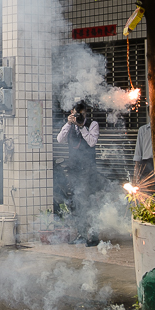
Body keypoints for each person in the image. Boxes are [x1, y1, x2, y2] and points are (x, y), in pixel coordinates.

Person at [56, 101, 101, 246]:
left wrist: (81, 127)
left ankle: (93, 236)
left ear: (85, 113)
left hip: (89, 170)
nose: (79, 116)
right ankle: (81, 234)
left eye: (81, 114)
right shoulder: (70, 125)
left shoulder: (93, 124)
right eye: (75, 113)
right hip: (74, 169)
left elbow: (92, 142)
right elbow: (59, 139)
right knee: (77, 202)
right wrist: (69, 124)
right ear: (71, 112)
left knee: (90, 202)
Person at [133, 106, 155, 194]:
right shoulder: (143, 130)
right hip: (146, 164)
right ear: (149, 113)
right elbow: (138, 153)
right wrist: (135, 174)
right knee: (146, 192)